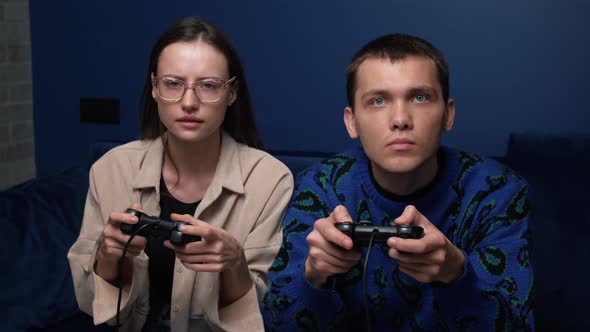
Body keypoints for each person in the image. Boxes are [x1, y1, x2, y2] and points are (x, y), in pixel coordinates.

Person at [261, 33, 534, 331]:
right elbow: (276, 324)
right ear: (352, 122)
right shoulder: (320, 187)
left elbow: (515, 325)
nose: (400, 119)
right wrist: (313, 277)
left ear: (448, 114)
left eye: (420, 97)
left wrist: (457, 275)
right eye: (378, 101)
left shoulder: (497, 191)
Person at [67, 17, 293, 332]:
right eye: (173, 83)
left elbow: (271, 312)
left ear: (231, 93)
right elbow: (90, 305)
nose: (189, 102)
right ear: (155, 88)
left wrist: (234, 265)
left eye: (209, 85)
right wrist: (107, 258)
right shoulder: (111, 169)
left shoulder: (269, 179)